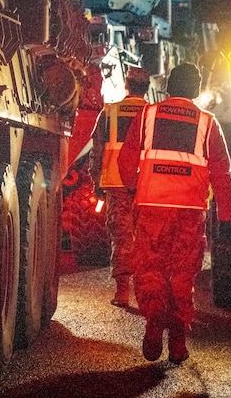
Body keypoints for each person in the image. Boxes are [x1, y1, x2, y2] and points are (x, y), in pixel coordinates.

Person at [118, 62, 231, 364]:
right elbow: (222, 171)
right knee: (183, 274)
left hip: (152, 206)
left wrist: (134, 188)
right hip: (189, 211)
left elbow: (126, 158)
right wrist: (227, 213)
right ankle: (178, 341)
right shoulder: (208, 123)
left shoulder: (147, 115)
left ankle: (154, 322)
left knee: (151, 268)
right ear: (196, 90)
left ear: (169, 86)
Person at [87, 65, 153, 307]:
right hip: (147, 185)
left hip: (116, 184)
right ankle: (147, 293)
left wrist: (97, 182)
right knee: (147, 238)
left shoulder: (109, 112)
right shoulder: (153, 114)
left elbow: (97, 151)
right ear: (147, 88)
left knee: (122, 238)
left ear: (126, 85)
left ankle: (123, 292)